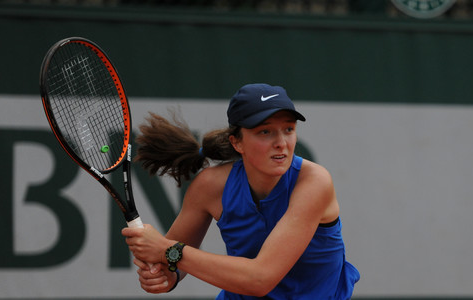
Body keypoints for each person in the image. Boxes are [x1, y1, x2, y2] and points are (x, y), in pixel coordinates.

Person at [122, 83, 360, 299]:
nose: (281, 142)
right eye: (265, 132)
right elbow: (171, 265)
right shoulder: (210, 186)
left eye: (288, 129)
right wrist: (165, 275)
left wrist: (166, 250)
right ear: (237, 142)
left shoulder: (314, 182)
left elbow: (260, 279)